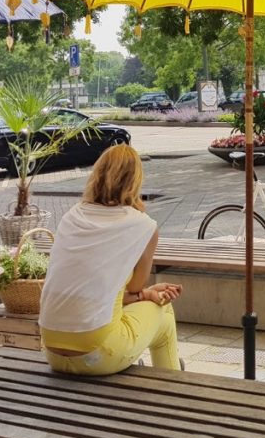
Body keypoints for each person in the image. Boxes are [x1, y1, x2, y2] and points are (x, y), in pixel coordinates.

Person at [39, 144, 182, 375]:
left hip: (52, 351)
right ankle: (175, 387)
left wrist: (146, 293)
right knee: (163, 310)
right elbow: (136, 287)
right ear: (135, 180)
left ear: (97, 174)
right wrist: (148, 294)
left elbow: (92, 293)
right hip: (98, 355)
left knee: (135, 309)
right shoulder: (143, 225)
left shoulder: (71, 216)